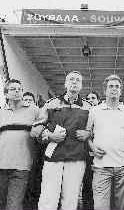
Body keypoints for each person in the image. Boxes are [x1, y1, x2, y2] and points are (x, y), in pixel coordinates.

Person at [37, 71, 91, 210]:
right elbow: (36, 129)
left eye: (78, 80)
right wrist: (49, 135)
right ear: (65, 84)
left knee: (70, 201)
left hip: (77, 158)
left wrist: (88, 133)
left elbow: (98, 129)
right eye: (71, 79)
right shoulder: (51, 103)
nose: (74, 82)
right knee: (48, 199)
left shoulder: (89, 107)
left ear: (81, 85)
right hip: (53, 158)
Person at [0, 79, 44, 210]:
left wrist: (40, 128)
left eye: (19, 89)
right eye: (13, 89)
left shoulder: (34, 110)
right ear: (6, 94)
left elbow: (44, 125)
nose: (17, 91)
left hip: (21, 167)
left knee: (13, 205)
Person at [87, 74, 124, 210]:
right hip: (101, 167)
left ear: (121, 91)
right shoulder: (94, 111)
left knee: (123, 208)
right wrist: (92, 148)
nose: (114, 89)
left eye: (117, 87)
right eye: (111, 86)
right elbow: (87, 135)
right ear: (105, 90)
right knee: (100, 207)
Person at [83, 91, 101, 210]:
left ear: (98, 100)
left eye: (93, 98)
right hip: (85, 154)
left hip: (101, 155)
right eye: (88, 98)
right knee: (87, 182)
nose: (90, 100)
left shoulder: (102, 114)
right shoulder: (83, 116)